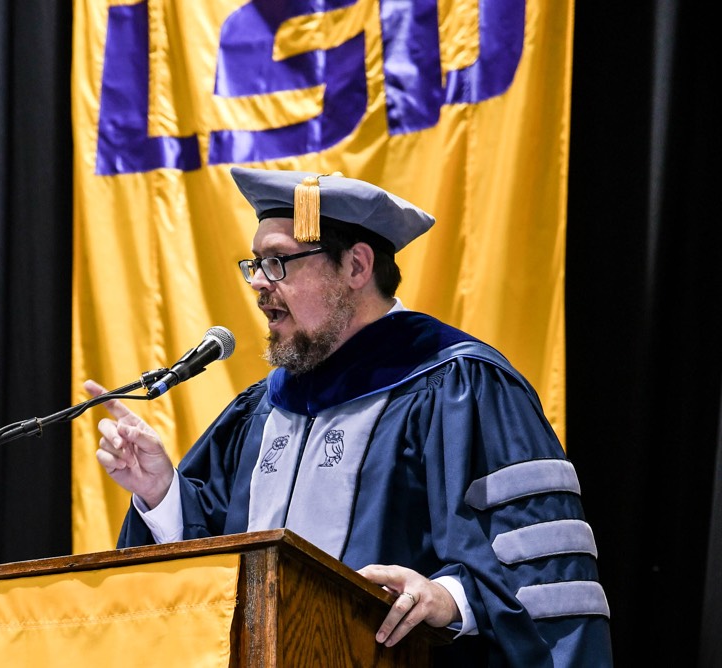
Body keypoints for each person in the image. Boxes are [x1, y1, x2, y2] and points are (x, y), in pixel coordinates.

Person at [85, 167, 612, 666]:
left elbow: (542, 568)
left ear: (357, 266)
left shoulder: (458, 387)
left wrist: (451, 598)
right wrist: (160, 493)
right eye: (254, 265)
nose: (259, 284)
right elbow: (213, 563)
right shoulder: (265, 410)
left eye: (279, 262)